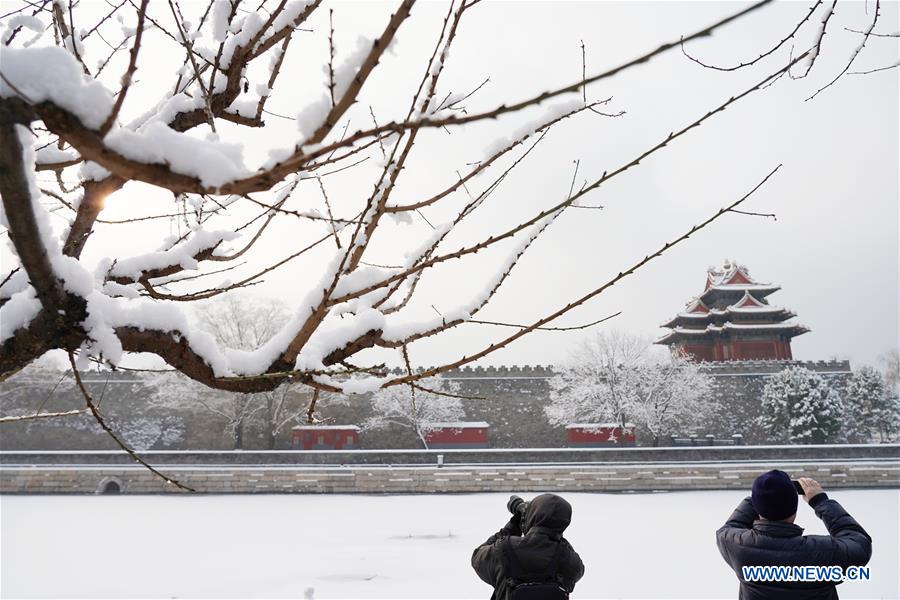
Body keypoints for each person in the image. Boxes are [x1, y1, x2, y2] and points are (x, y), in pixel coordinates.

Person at [716, 470, 872, 600]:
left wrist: (760, 496)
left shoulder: (737, 546)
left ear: (758, 508)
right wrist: (821, 501)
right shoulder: (824, 552)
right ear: (794, 510)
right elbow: (859, 544)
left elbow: (730, 526)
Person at [471, 493, 584, 599]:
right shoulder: (568, 559)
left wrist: (513, 526)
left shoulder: (504, 549)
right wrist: (555, 534)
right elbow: (578, 569)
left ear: (532, 516)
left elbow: (477, 557)